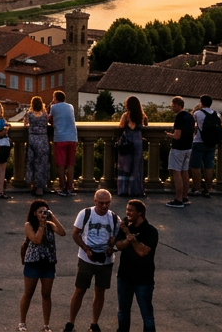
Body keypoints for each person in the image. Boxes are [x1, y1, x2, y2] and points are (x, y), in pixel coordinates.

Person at [66, 189, 119, 332]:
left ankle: (94, 323)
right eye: (101, 203)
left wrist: (112, 247)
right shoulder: (85, 214)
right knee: (80, 290)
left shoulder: (114, 218)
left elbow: (118, 239)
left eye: (107, 203)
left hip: (105, 261)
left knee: (100, 292)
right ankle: (70, 322)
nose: (104, 206)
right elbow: (75, 234)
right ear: (95, 201)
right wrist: (86, 249)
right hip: (86, 259)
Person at [20, 199, 66, 332]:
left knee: (46, 294)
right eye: (40, 212)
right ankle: (22, 322)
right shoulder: (29, 225)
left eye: (45, 212)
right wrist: (41, 225)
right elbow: (36, 240)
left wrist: (53, 217)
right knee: (28, 293)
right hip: (33, 262)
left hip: (48, 263)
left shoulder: (50, 224)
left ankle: (46, 324)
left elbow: (63, 233)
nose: (43, 214)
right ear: (34, 213)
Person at [114, 199, 157, 332]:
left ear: (140, 213)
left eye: (131, 210)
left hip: (143, 279)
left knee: (147, 315)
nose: (127, 213)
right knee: (123, 312)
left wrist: (128, 235)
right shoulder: (126, 227)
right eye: (127, 210)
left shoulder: (150, 231)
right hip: (124, 277)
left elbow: (142, 251)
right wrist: (127, 236)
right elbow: (118, 245)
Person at [164, 96, 193, 208]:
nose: (172, 107)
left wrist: (169, 135)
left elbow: (177, 136)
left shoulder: (179, 117)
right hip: (188, 148)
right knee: (185, 173)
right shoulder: (190, 116)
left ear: (177, 105)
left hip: (178, 149)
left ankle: (178, 199)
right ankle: (185, 197)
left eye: (173, 105)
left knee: (177, 173)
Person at [116, 97, 146, 198]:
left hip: (127, 143)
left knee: (125, 166)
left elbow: (120, 126)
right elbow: (146, 125)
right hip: (137, 143)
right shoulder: (142, 116)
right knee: (136, 167)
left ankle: (124, 190)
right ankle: (136, 190)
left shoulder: (126, 116)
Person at [50, 90, 78, 197]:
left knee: (61, 165)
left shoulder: (54, 107)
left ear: (55, 98)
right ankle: (70, 187)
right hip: (72, 137)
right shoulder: (70, 106)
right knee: (70, 164)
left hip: (60, 138)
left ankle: (62, 187)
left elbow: (50, 120)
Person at [190, 94, 218, 198]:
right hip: (211, 143)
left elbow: (191, 123)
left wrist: (195, 110)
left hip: (199, 142)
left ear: (201, 102)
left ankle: (197, 189)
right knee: (209, 166)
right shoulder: (215, 113)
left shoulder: (198, 113)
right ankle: (208, 189)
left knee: (195, 165)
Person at [25, 96, 52, 197]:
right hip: (43, 140)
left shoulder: (29, 114)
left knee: (31, 163)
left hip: (32, 140)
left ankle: (32, 184)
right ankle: (40, 188)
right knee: (42, 164)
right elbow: (48, 123)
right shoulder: (45, 115)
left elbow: (25, 124)